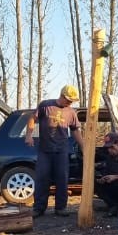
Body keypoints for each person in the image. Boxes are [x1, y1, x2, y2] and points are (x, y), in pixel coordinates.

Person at [25, 84, 81, 216]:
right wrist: (29, 136)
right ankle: (39, 208)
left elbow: (75, 131)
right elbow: (32, 119)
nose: (70, 103)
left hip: (62, 150)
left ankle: (60, 208)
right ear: (62, 96)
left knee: (62, 179)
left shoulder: (71, 113)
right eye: (68, 100)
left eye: (72, 101)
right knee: (42, 178)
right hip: (45, 150)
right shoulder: (46, 106)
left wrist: (83, 146)